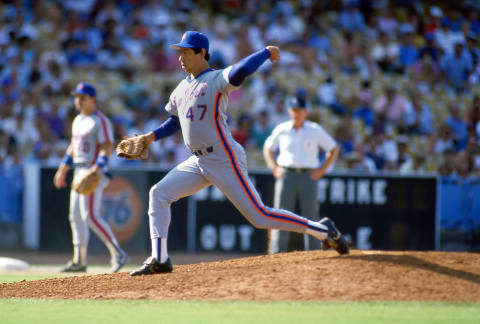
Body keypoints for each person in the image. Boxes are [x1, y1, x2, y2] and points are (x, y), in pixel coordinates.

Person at [127, 31, 349, 276]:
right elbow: (174, 121)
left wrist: (264, 53)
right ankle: (160, 258)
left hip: (223, 157)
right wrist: (149, 137)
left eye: (186, 52)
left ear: (202, 53)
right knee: (158, 193)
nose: (180, 57)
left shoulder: (215, 79)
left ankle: (323, 231)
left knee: (260, 216)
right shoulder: (180, 88)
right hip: (198, 160)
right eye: (179, 52)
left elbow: (240, 71)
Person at [53, 82, 128, 273]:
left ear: (93, 100)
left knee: (91, 216)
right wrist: (63, 168)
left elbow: (107, 146)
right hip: (78, 171)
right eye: (76, 97)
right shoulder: (77, 119)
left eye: (82, 98)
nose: (78, 101)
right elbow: (73, 146)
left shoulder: (100, 120)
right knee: (75, 216)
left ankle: (118, 253)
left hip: (93, 172)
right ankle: (79, 260)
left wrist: (97, 168)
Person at [263, 97, 340, 254]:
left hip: (308, 175)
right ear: (290, 111)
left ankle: (313, 252)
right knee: (281, 214)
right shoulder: (282, 128)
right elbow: (268, 147)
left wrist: (322, 170)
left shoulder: (315, 129)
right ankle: (277, 253)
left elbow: (333, 149)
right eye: (294, 110)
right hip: (287, 174)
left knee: (310, 215)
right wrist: (273, 167)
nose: (296, 113)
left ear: (305, 112)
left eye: (299, 110)